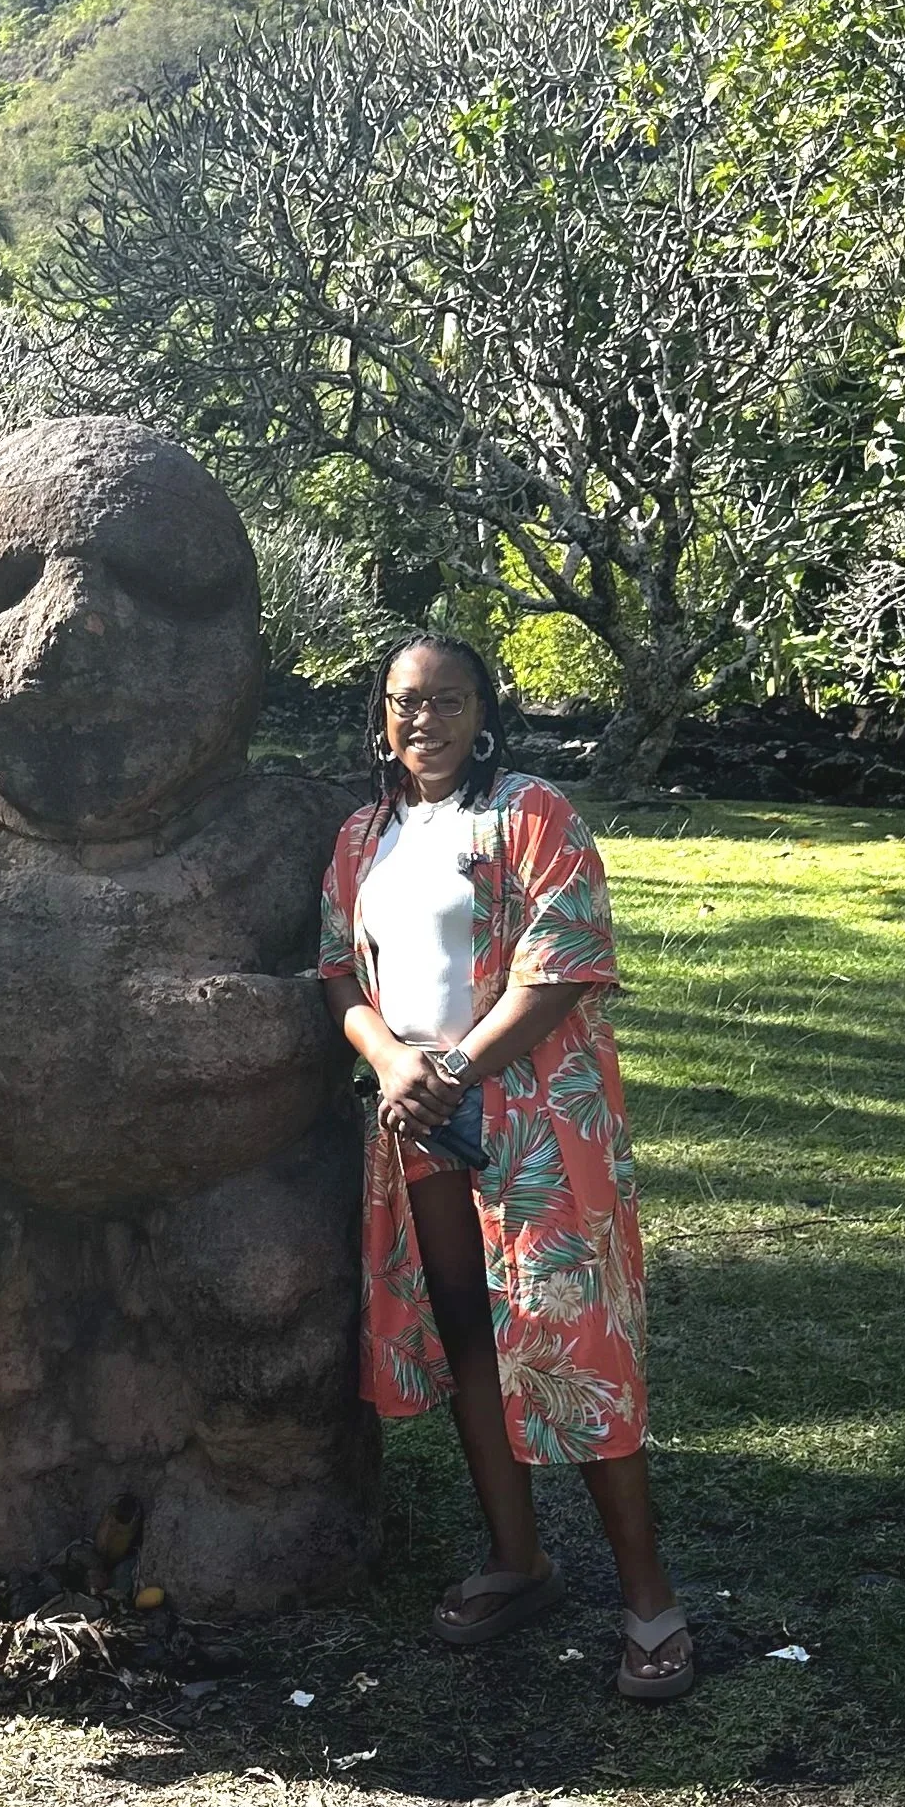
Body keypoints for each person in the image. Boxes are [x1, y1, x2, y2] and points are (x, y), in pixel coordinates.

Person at [318, 632, 693, 1698]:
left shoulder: (532, 814)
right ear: (380, 719)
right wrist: (395, 1061)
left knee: (570, 1339)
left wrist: (454, 1065)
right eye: (401, 702)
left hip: (532, 1125)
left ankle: (648, 1600)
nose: (421, 720)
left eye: (443, 700)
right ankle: (516, 1559)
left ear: (483, 711)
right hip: (417, 1126)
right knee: (469, 1327)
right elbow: (337, 973)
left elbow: (564, 964)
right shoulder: (363, 836)